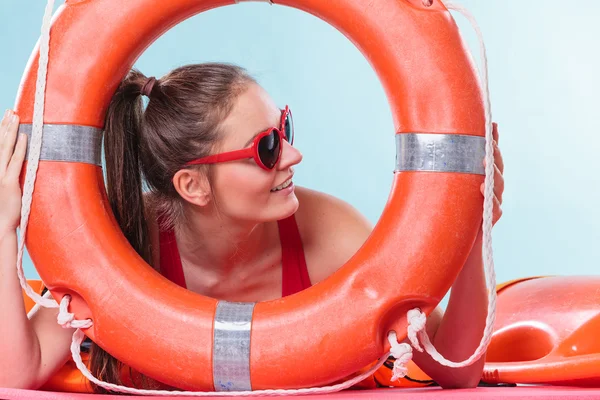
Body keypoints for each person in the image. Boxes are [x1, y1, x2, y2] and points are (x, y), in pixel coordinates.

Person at [0, 63, 505, 392]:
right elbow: (19, 371)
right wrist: (3, 229)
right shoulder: (124, 244)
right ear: (193, 185)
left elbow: (456, 368)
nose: (293, 154)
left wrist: (471, 232)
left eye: (284, 128)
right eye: (266, 148)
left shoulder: (329, 235)